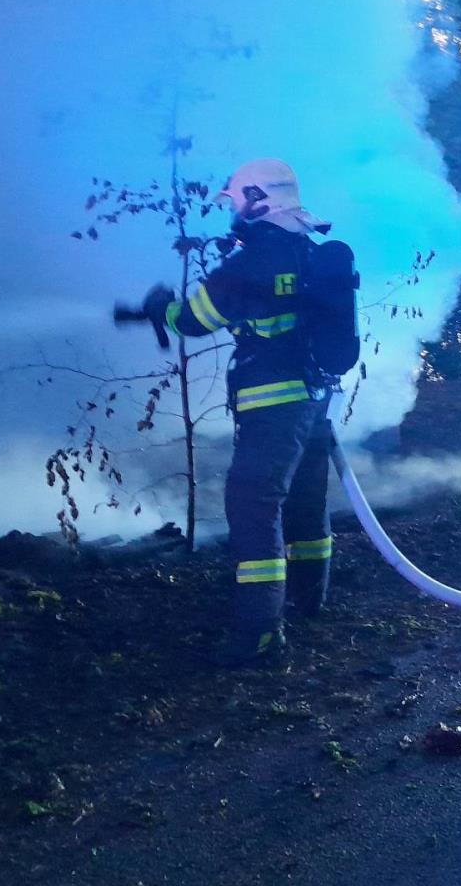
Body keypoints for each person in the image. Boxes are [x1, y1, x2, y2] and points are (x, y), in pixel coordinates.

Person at [139, 159, 337, 668]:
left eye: (236, 200)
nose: (233, 211)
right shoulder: (308, 248)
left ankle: (261, 634)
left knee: (253, 505)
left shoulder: (252, 261)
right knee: (306, 502)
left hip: (272, 404)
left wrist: (161, 306)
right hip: (314, 399)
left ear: (257, 198)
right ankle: (310, 602)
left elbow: (193, 320)